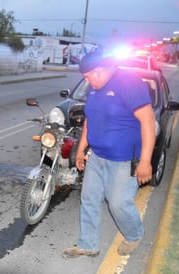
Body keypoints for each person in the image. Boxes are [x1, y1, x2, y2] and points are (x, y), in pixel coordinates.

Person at [62, 52, 156, 258]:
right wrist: (80, 150)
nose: (86, 81)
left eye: (88, 77)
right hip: (96, 156)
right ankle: (88, 244)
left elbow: (148, 121)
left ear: (100, 71)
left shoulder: (128, 82)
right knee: (89, 198)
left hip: (123, 160)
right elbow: (90, 120)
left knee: (118, 203)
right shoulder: (94, 89)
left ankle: (134, 234)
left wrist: (146, 161)